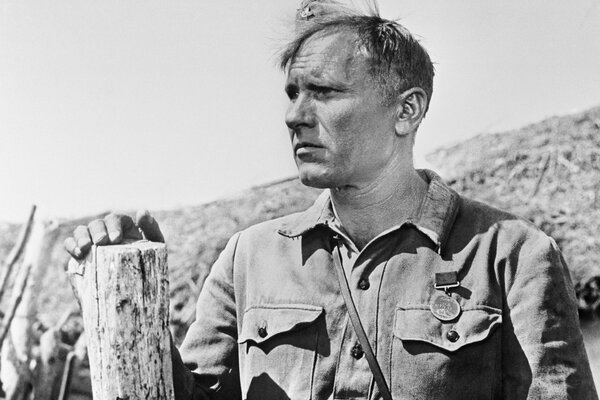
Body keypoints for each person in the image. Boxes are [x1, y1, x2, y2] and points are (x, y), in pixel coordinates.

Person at [64, 1, 598, 399]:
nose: (295, 115)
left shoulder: (512, 256)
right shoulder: (248, 257)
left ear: (406, 110)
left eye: (323, 92)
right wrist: (137, 300)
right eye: (293, 94)